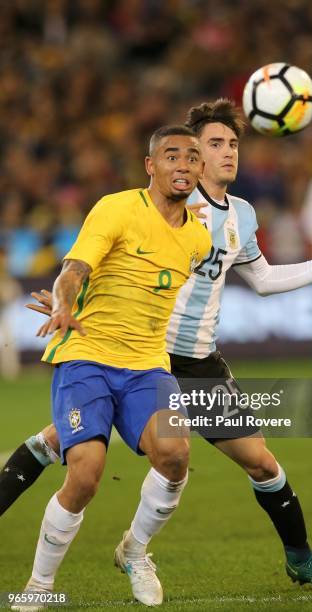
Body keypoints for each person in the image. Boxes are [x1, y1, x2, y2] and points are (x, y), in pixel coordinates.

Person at [2, 101, 312, 595]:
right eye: (213, 144)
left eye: (232, 144)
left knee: (260, 462)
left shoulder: (241, 216)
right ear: (187, 157)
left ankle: (299, 558)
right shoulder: (161, 208)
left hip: (197, 362)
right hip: (142, 355)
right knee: (73, 454)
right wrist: (73, 297)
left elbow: (266, 280)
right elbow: (105, 260)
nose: (226, 153)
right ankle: (55, 578)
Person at [10, 124, 212, 611]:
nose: (181, 165)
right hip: (87, 356)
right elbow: (74, 269)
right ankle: (39, 587)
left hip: (147, 366)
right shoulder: (116, 207)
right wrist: (65, 304)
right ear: (151, 165)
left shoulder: (199, 242)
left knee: (176, 454)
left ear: (200, 169)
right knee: (86, 473)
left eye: (191, 158)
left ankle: (135, 551)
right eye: (170, 156)